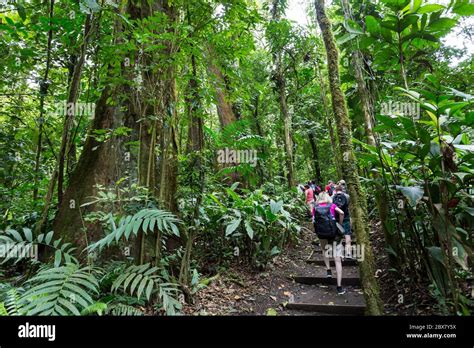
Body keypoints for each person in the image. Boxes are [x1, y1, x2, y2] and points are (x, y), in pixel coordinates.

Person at [312, 191, 346, 295]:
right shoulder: (332, 205)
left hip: (322, 233)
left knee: (324, 250)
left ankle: (328, 270)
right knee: (337, 259)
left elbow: (313, 221)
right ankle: (339, 287)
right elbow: (342, 213)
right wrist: (339, 224)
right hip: (333, 233)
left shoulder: (315, 207)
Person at [333, 184, 352, 259]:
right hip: (346, 217)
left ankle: (339, 253)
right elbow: (347, 205)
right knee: (347, 235)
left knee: (338, 236)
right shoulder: (347, 196)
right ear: (342, 189)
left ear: (336, 190)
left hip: (337, 219)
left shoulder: (332, 197)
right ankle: (348, 253)